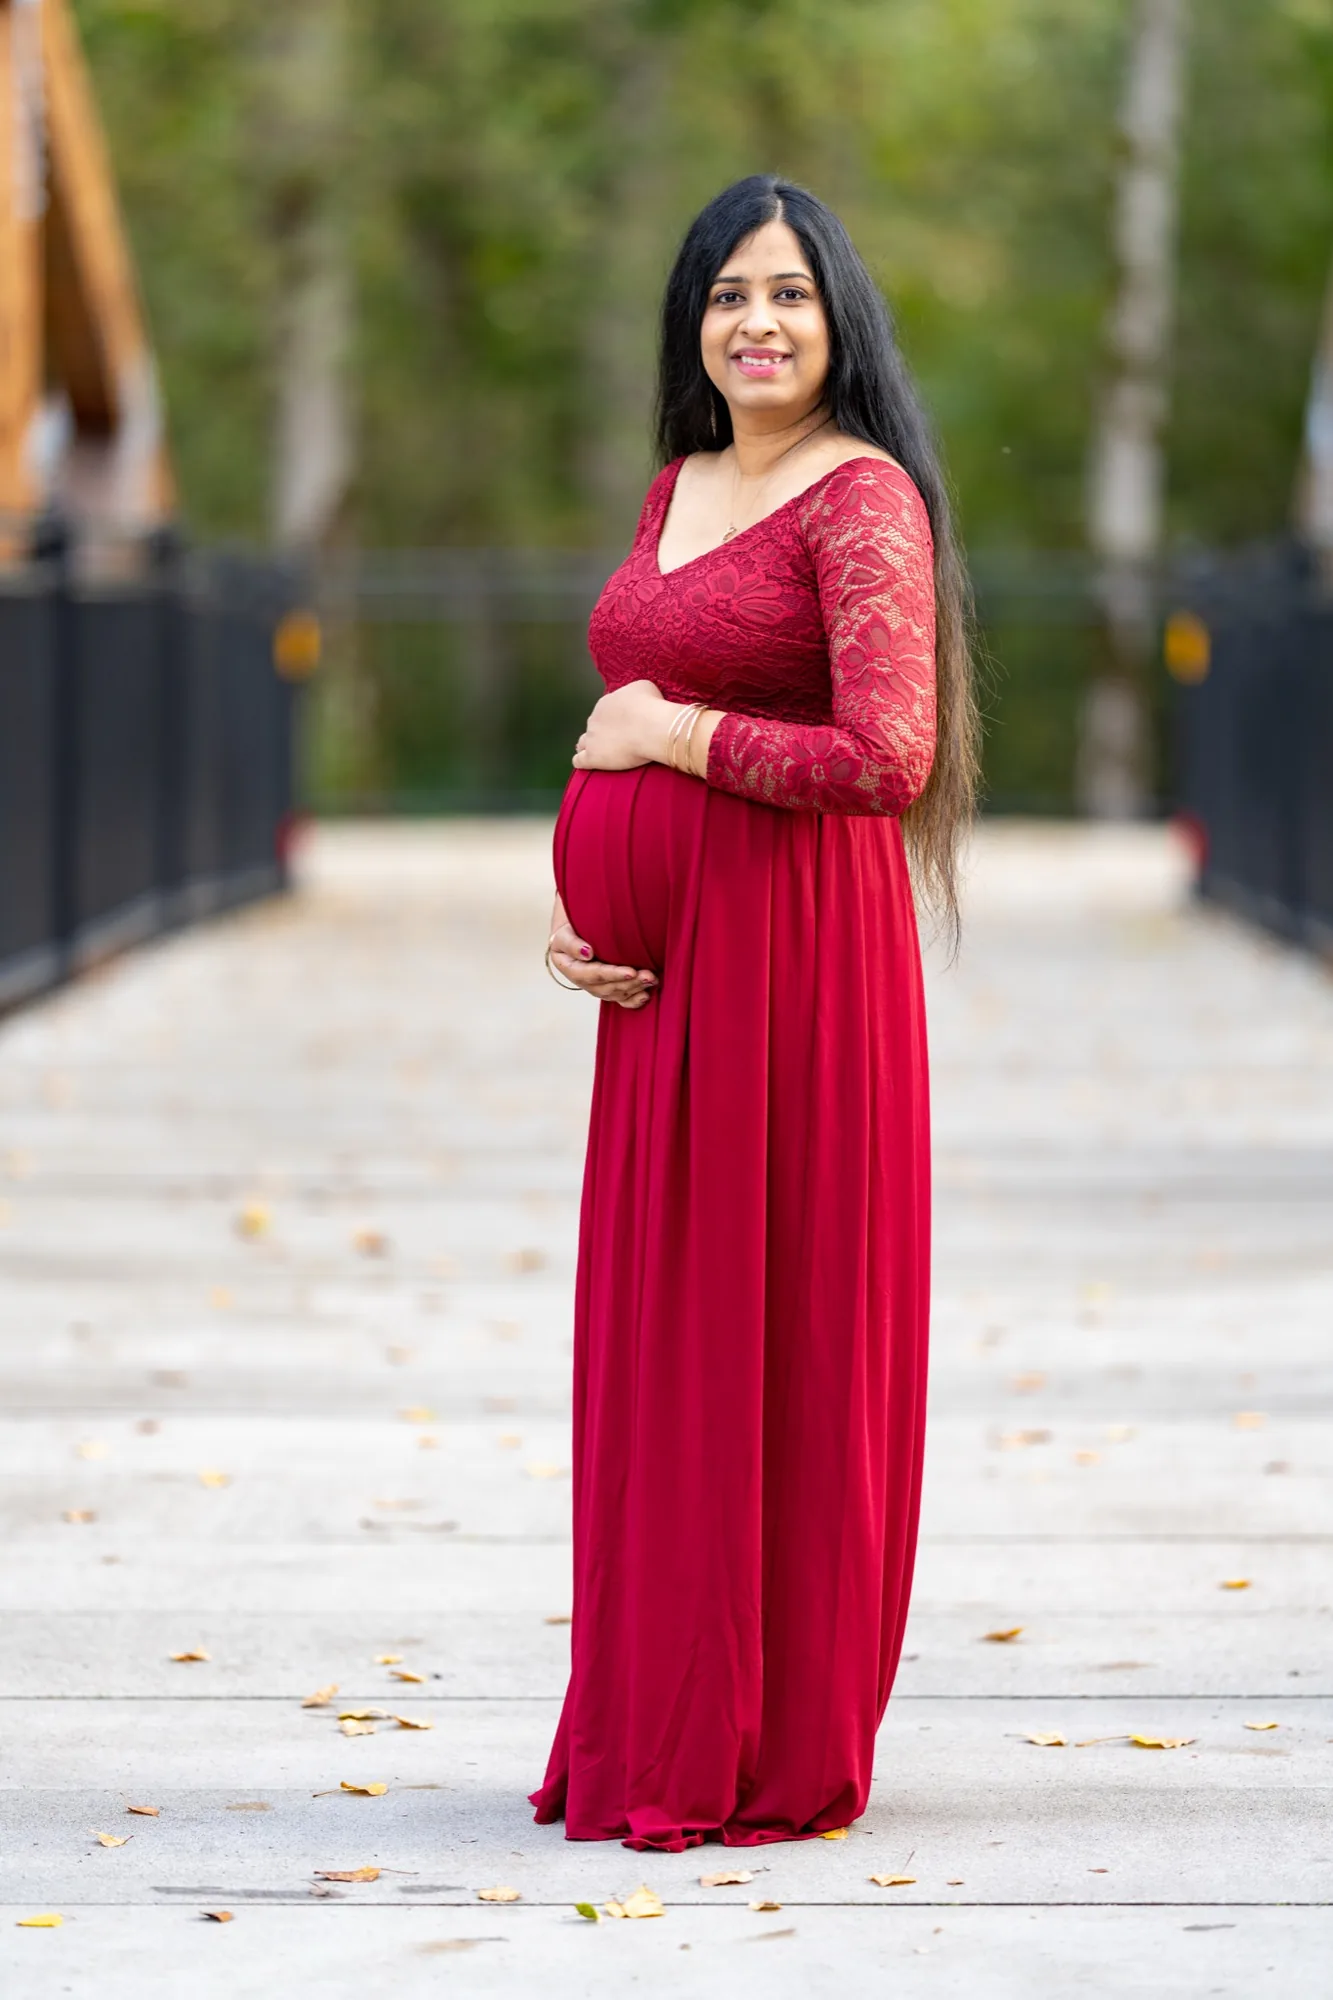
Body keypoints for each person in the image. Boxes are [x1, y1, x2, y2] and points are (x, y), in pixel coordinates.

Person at [530, 173, 977, 1853]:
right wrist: (588, 902)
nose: (759, 321)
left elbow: (887, 757)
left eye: (789, 292)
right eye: (728, 295)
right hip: (662, 997)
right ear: (692, 323)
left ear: (837, 312)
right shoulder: (684, 481)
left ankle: (761, 1727)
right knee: (664, 1350)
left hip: (800, 975)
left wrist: (672, 749)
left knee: (769, 1330)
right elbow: (622, 704)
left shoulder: (859, 500)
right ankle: (657, 1710)